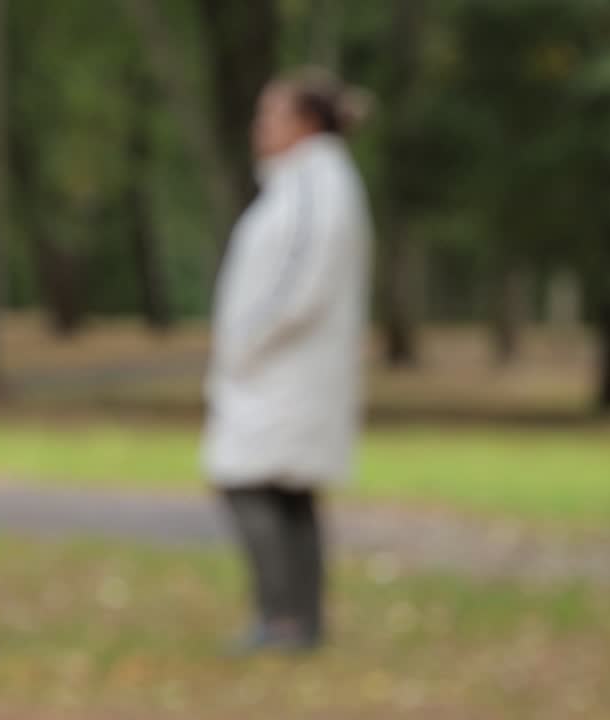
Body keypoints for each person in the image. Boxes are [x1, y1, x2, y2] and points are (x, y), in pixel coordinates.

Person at [202, 67, 372, 653]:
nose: (259, 126)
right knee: (287, 492)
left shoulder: (312, 183)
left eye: (270, 114)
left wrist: (244, 342)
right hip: (285, 371)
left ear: (305, 122)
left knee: (247, 481)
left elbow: (299, 281)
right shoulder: (308, 180)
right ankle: (300, 621)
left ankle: (283, 621)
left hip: (281, 372)